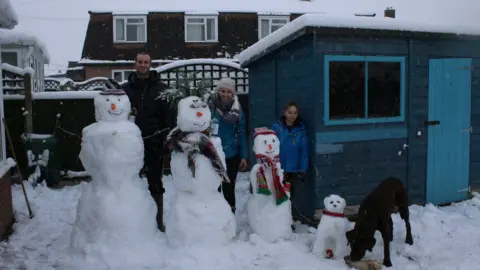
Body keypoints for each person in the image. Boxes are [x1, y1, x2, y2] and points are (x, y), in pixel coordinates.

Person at [121, 52, 172, 232]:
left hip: (155, 141)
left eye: (146, 62)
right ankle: (133, 221)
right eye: (140, 62)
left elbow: (168, 116)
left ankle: (158, 221)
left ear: (151, 64)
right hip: (131, 142)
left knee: (155, 180)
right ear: (135, 64)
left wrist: (166, 139)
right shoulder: (126, 89)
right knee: (130, 180)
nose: (143, 65)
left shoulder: (161, 88)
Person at [208, 77, 248, 213]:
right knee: (214, 185)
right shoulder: (210, 106)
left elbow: (242, 133)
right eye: (223, 91)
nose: (225, 94)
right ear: (218, 91)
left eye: (229, 92)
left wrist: (244, 156)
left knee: (229, 185)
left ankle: (230, 213)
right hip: (213, 153)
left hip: (232, 154)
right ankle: (215, 214)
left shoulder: (238, 111)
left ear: (233, 94)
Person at [271, 101, 309, 223]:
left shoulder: (301, 129)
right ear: (284, 112)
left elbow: (304, 151)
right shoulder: (276, 127)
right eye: (290, 112)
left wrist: (303, 168)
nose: (292, 115)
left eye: (295, 113)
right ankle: (278, 218)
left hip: (293, 167)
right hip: (279, 166)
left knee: (289, 195)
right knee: (278, 193)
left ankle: (288, 219)